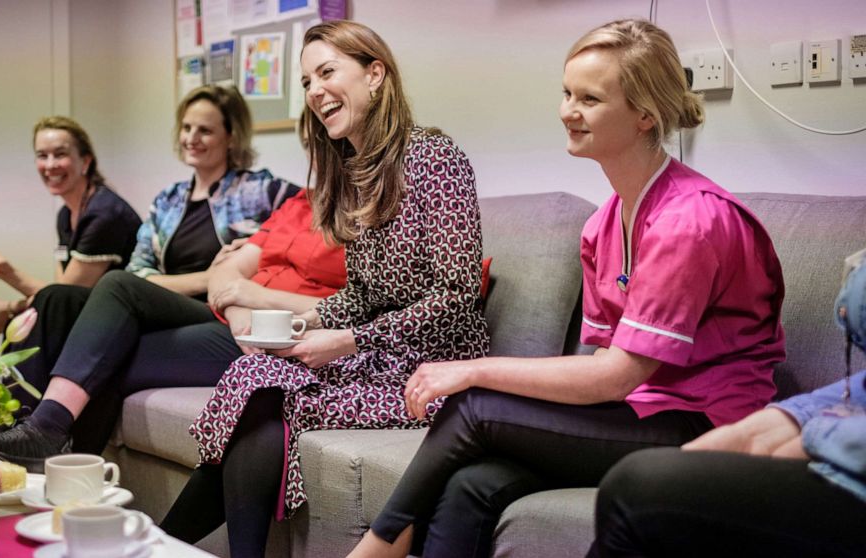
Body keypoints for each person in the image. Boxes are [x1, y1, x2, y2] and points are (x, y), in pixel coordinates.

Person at [348, 19, 786, 558]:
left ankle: (375, 547)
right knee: (473, 485)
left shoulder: (688, 222)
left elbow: (617, 375)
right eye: (566, 93)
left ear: (645, 114)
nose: (567, 111)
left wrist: (474, 369)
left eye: (590, 99)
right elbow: (602, 363)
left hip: (709, 428)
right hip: (641, 409)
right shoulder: (602, 225)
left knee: (474, 404)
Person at [160, 20, 489, 558]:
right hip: (380, 356)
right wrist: (303, 324)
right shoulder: (357, 172)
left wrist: (350, 341)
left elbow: (457, 293)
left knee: (268, 390)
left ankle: (156, 544)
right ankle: (160, 545)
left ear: (375, 74)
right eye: (307, 80)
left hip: (435, 369)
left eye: (327, 72)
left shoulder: (434, 157)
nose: (315, 91)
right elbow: (361, 293)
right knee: (255, 369)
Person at [0, 85, 302, 467]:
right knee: (58, 298)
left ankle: (53, 433)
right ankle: (13, 425)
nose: (191, 138)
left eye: (204, 130)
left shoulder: (263, 190)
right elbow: (139, 270)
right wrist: (206, 277)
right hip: (166, 306)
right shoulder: (169, 199)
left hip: (218, 312)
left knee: (116, 286)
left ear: (231, 136)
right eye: (186, 128)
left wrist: (231, 283)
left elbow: (308, 225)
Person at [587, 255, 866, 558]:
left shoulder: (692, 227)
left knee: (639, 487)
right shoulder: (600, 228)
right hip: (652, 405)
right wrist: (797, 416)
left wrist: (820, 434)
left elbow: (615, 378)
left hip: (695, 414)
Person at [0, 116, 141, 334]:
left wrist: (9, 287)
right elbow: (60, 291)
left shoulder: (104, 215)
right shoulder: (66, 215)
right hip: (92, 317)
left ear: (85, 161)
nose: (50, 165)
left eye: (60, 154)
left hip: (126, 323)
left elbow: (64, 297)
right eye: (42, 156)